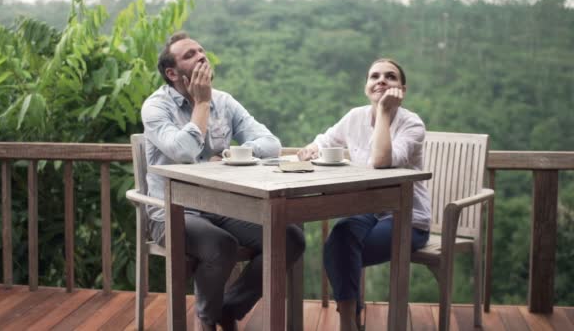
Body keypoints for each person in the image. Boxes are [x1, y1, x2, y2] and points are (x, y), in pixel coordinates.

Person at [142, 31, 306, 331]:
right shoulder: (156, 107)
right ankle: (206, 320)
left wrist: (232, 152)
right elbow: (183, 152)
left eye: (202, 50)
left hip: (221, 207)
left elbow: (271, 144)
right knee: (221, 245)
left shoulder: (226, 102)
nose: (201, 56)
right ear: (172, 73)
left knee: (290, 237)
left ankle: (227, 308)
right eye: (189, 55)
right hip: (170, 210)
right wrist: (201, 104)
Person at [297, 58, 431, 331]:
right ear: (366, 86)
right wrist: (311, 148)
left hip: (406, 216)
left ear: (401, 90)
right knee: (339, 240)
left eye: (390, 77)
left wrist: (383, 111)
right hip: (367, 210)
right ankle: (349, 321)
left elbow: (381, 160)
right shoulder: (354, 117)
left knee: (342, 252)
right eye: (375, 76)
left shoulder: (412, 125)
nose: (381, 80)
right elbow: (325, 140)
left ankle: (349, 320)